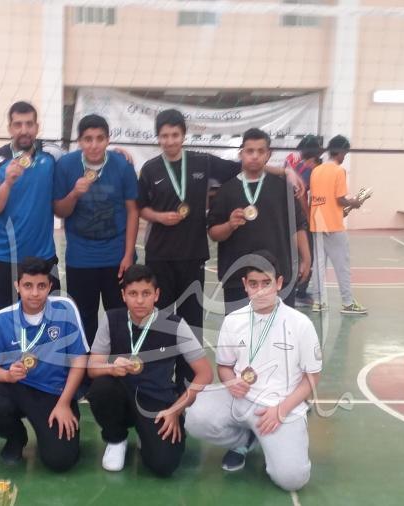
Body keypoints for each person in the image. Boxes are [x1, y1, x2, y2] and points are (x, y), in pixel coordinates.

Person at [185, 250, 322, 491]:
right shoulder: (233, 321)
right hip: (240, 400)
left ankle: (274, 442)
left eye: (266, 283)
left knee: (292, 480)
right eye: (253, 284)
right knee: (195, 418)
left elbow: (312, 377)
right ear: (245, 285)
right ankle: (245, 439)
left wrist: (282, 410)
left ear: (279, 283)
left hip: (279, 406)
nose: (260, 291)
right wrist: (231, 381)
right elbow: (224, 366)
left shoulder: (300, 324)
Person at [136, 109, 240, 386]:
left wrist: (285, 171)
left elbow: (241, 169)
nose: (169, 141)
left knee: (191, 321)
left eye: (175, 135)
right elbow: (140, 207)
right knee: (160, 319)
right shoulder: (150, 169)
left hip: (192, 256)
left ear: (183, 135)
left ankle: (187, 379)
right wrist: (159, 217)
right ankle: (159, 378)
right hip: (159, 257)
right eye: (164, 136)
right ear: (158, 137)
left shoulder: (202, 162)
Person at [87, 264, 212, 476]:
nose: (139, 300)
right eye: (133, 293)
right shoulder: (111, 319)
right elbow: (92, 368)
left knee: (164, 465)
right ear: (123, 295)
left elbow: (205, 373)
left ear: (156, 294)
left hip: (157, 401)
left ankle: (147, 437)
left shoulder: (175, 325)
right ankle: (116, 439)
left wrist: (177, 409)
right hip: (121, 397)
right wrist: (111, 368)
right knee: (101, 387)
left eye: (146, 293)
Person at [0, 257, 88, 472]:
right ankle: (16, 436)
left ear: (50, 286)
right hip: (15, 387)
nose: (34, 293)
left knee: (61, 460)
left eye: (41, 286)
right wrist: (7, 376)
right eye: (28, 286)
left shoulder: (65, 310)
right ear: (17, 286)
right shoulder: (3, 318)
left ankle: (56, 427)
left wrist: (64, 403)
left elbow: (79, 360)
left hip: (53, 392)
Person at [53, 114, 138, 345]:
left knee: (120, 319)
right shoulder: (66, 166)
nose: (94, 145)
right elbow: (60, 211)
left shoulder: (122, 165)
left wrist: (128, 255)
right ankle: (87, 367)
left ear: (108, 140)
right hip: (81, 258)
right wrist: (74, 194)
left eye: (100, 138)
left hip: (116, 258)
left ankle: (120, 364)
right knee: (83, 320)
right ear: (79, 141)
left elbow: (133, 211)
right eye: (88, 139)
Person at [207, 128, 310, 314]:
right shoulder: (226, 191)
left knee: (280, 330)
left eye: (260, 151)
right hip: (237, 279)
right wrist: (229, 225)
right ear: (241, 154)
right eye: (250, 151)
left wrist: (306, 258)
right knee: (240, 330)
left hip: (278, 277)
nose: (255, 156)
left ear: (268, 155)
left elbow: (298, 225)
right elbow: (214, 233)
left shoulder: (283, 188)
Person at [0, 101, 63, 320]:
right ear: (10, 128)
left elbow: (82, 160)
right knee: (3, 321)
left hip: (44, 257)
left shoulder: (52, 154)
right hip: (4, 259)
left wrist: (116, 153)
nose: (24, 130)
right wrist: (7, 183)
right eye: (18, 124)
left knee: (50, 322)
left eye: (29, 124)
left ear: (37, 127)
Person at [307, 135, 367, 314]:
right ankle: (348, 303)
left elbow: (318, 200)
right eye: (345, 153)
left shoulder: (316, 171)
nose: (344, 157)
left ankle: (318, 302)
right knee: (342, 266)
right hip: (333, 226)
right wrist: (354, 202)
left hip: (317, 223)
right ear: (340, 152)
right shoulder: (339, 171)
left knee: (318, 266)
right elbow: (340, 199)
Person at [292, 135, 324, 306]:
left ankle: (298, 290)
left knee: (299, 256)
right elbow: (301, 195)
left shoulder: (299, 167)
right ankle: (300, 293)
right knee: (307, 256)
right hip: (301, 219)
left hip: (294, 217)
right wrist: (309, 217)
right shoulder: (310, 169)